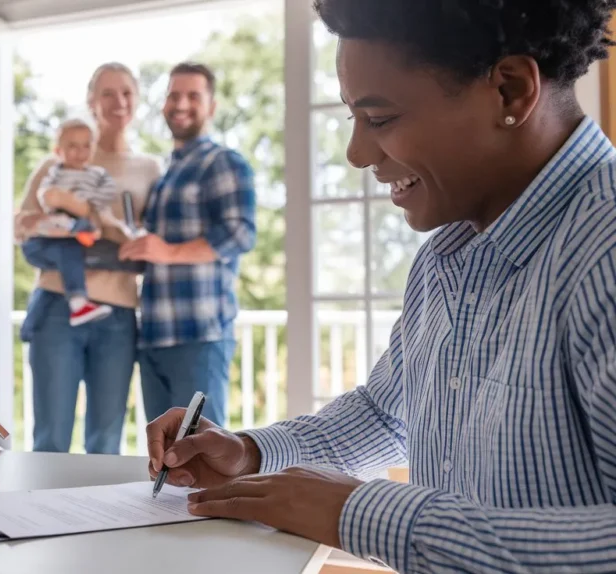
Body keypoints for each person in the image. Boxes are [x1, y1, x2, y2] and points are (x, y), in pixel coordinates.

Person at [146, 1, 616, 572]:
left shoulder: (603, 254)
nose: (357, 154)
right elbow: (385, 413)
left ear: (511, 92)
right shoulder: (448, 258)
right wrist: (249, 453)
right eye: (353, 120)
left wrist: (363, 513)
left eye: (382, 118)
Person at [15, 62, 163, 454]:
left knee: (106, 441)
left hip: (118, 317)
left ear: (137, 101)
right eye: (108, 93)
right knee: (51, 438)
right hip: (57, 307)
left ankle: (96, 518)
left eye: (127, 93)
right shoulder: (59, 163)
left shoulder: (149, 168)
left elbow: (152, 242)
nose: (119, 102)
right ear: (91, 102)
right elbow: (25, 227)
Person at [120, 62, 256, 428]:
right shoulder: (167, 173)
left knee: (202, 454)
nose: (181, 104)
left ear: (211, 107)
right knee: (163, 458)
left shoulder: (222, 162)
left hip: (199, 335)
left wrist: (168, 252)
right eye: (173, 95)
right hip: (153, 337)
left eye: (193, 96)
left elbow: (240, 233)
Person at [21, 118, 123, 326]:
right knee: (59, 242)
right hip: (55, 225)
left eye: (86, 146)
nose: (80, 152)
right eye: (73, 146)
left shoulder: (97, 175)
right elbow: (46, 197)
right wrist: (54, 203)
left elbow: (106, 197)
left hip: (77, 228)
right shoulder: (54, 172)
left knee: (71, 251)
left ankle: (76, 303)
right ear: (59, 150)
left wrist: (83, 206)